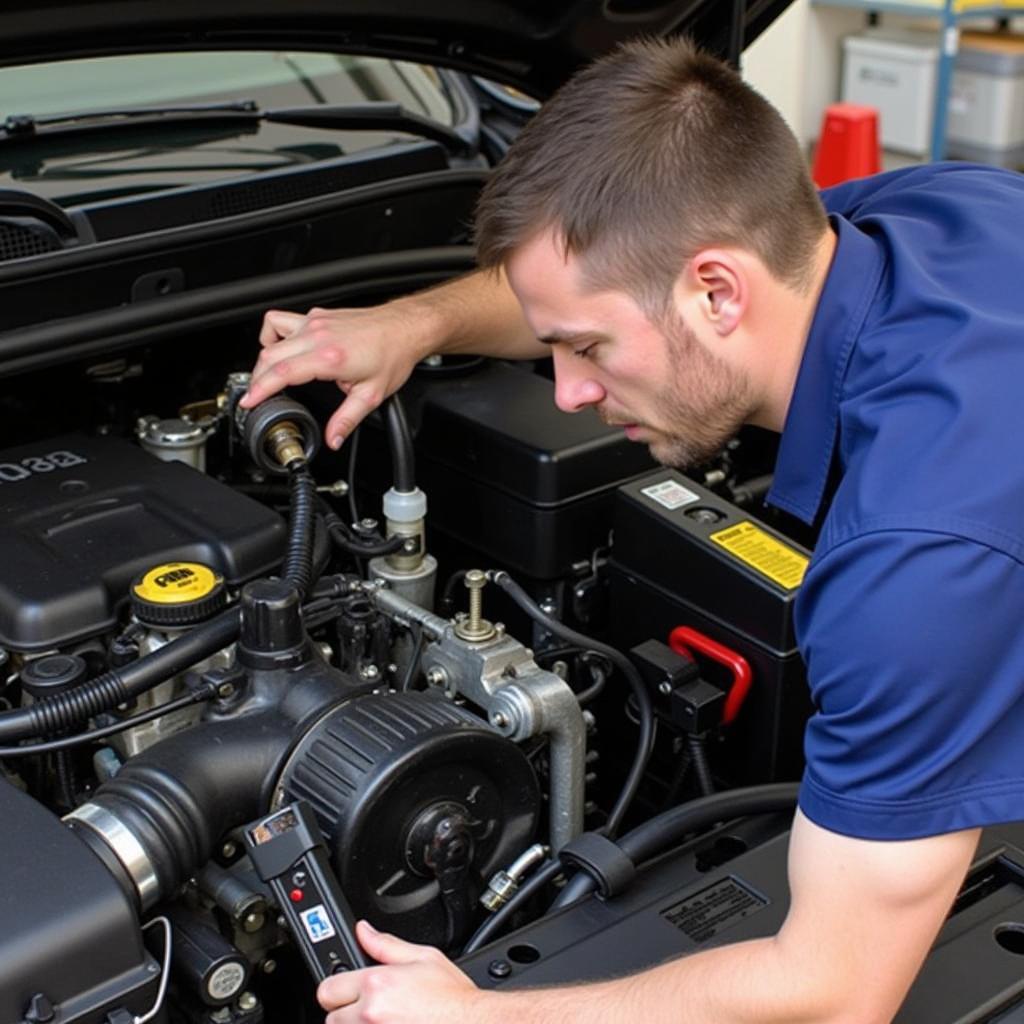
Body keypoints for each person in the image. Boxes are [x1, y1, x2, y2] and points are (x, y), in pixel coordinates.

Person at [241, 35, 1024, 1024]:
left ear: (717, 291)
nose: (567, 391)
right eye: (559, 346)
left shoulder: (913, 568)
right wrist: (416, 322)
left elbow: (834, 991)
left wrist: (480, 1013)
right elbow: (601, 279)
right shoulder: (933, 213)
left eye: (588, 350)